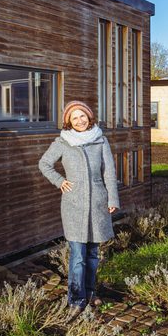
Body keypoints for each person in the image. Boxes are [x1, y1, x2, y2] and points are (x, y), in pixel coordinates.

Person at [38, 100, 119, 311]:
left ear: (89, 116)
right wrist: (59, 181)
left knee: (93, 255)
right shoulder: (62, 143)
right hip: (73, 205)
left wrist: (112, 199)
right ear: (69, 122)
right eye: (74, 118)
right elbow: (44, 164)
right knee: (77, 257)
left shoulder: (100, 140)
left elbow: (109, 172)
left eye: (82, 115)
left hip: (98, 204)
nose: (80, 120)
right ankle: (76, 299)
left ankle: (91, 293)